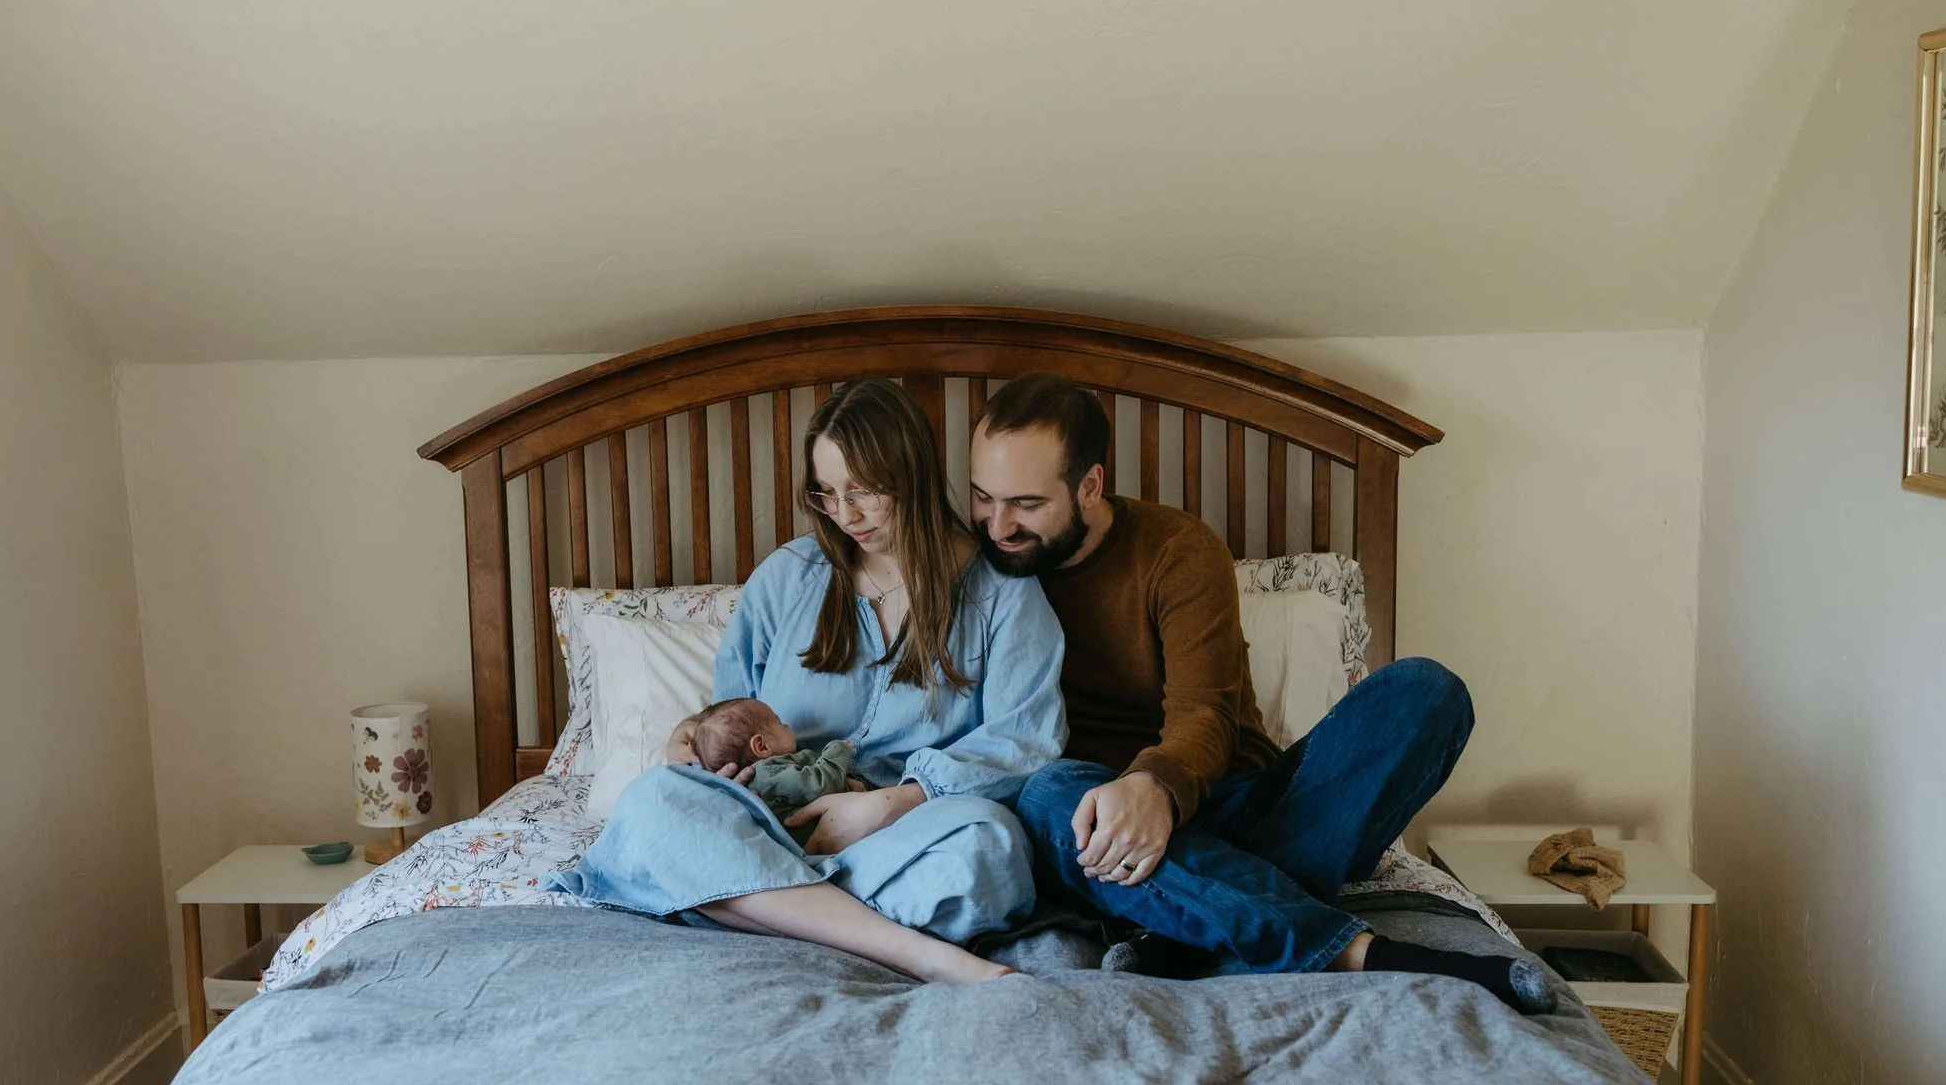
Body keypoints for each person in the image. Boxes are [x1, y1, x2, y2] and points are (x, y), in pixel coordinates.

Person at [967, 372, 1551, 1012]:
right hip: (1101, 834)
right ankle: (1363, 952)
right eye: (982, 497)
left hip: (1237, 806)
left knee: (1427, 691)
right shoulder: (972, 570)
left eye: (1026, 503)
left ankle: (1189, 932)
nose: (998, 526)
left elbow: (1206, 715)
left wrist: (1154, 785)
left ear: (1089, 485)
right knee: (1046, 794)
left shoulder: (1175, 550)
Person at [549, 378, 1066, 985]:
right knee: (653, 800)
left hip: (900, 834)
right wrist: (691, 737)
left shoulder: (1003, 595)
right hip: (770, 828)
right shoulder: (789, 576)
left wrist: (888, 804)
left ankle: (754, 905)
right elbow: (732, 706)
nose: (846, 515)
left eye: (863, 492)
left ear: (913, 475)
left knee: (989, 846)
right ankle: (913, 950)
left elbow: (1024, 742)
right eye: (827, 493)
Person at [688, 698, 860, 837]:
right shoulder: (768, 773)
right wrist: (838, 750)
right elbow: (821, 784)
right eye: (780, 722)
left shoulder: (764, 777)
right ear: (762, 746)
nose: (787, 725)